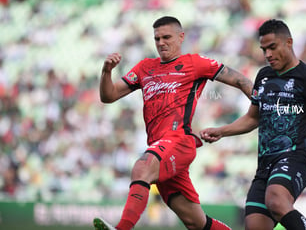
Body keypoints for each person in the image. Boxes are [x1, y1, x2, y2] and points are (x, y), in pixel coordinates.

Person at [93, 16, 253, 230]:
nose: (161, 42)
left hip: (179, 142)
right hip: (160, 149)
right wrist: (106, 72)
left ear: (181, 37)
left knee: (142, 168)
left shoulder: (195, 63)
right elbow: (108, 96)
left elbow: (241, 80)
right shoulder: (144, 68)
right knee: (196, 223)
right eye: (157, 38)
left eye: (166, 37)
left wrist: (264, 104)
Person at [200, 19, 306, 230]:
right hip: (265, 165)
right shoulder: (263, 76)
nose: (268, 55)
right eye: (264, 49)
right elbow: (254, 118)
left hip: (296, 157)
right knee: (254, 226)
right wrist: (221, 131)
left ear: (289, 42)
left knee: (276, 200)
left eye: (272, 47)